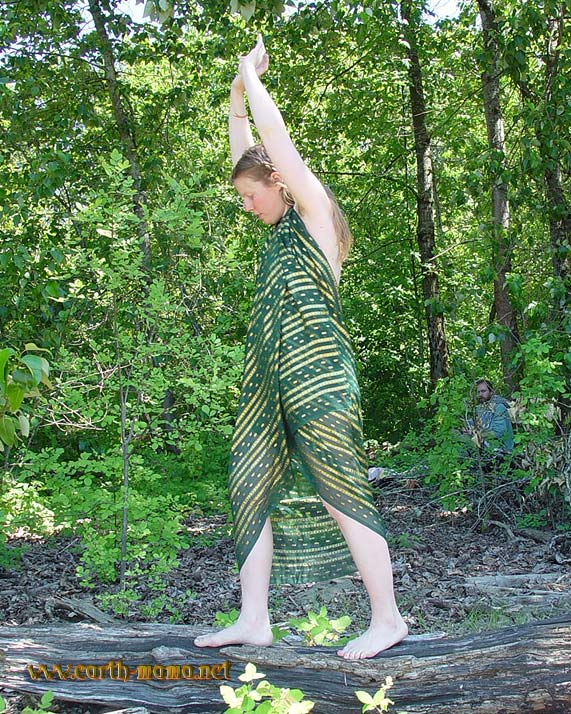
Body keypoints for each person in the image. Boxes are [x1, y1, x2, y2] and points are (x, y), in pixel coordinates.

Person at [194, 35, 407, 660]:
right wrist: (235, 95)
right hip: (268, 380)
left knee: (342, 489)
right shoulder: (278, 224)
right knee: (248, 482)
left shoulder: (312, 212)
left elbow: (274, 141)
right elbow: (247, 149)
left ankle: (388, 619)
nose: (246, 204)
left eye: (251, 193)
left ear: (281, 183)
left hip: (319, 378)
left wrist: (253, 79)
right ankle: (254, 619)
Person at [471, 378, 514, 453]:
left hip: (502, 449)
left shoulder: (499, 407)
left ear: (491, 392)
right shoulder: (480, 408)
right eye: (479, 392)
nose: (480, 394)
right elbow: (476, 422)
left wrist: (480, 435)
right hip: (485, 446)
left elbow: (499, 432)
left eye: (483, 391)